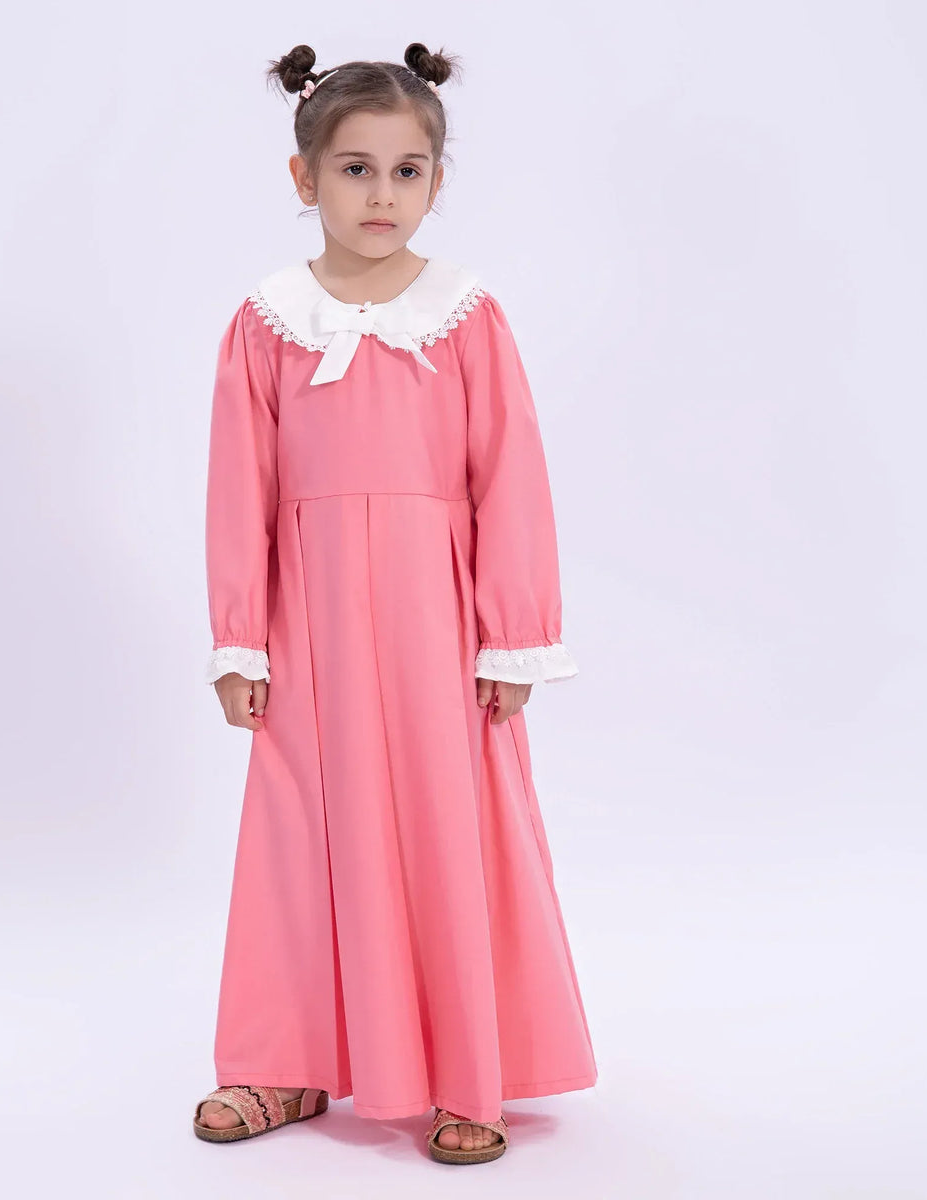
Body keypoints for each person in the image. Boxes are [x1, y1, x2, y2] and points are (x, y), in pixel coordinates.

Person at [192, 41, 597, 1166]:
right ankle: (285, 1060)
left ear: (436, 180)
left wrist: (513, 635)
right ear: (304, 176)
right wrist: (240, 638)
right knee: (299, 830)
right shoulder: (268, 322)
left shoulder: (464, 315)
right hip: (308, 624)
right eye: (356, 169)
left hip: (438, 625)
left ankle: (469, 1068)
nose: (382, 194)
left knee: (450, 829)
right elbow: (239, 489)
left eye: (407, 171)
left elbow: (510, 475)